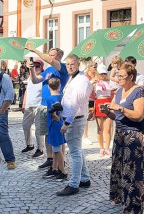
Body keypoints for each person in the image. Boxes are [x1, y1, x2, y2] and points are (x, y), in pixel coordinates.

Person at [106, 63, 144, 214]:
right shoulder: (119, 91)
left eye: (122, 76)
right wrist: (109, 112)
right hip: (120, 134)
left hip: (134, 136)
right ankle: (120, 198)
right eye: (118, 75)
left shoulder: (139, 92)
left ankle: (134, 209)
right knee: (118, 168)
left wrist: (120, 108)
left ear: (131, 77)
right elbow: (117, 116)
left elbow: (138, 116)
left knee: (133, 172)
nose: (118, 79)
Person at [56, 55, 92, 196]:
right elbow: (70, 99)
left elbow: (76, 104)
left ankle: (73, 184)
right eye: (68, 64)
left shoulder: (82, 80)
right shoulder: (74, 78)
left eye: (72, 64)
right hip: (72, 118)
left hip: (75, 120)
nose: (70, 66)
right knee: (78, 149)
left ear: (78, 64)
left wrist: (67, 123)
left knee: (75, 153)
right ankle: (84, 178)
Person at [21, 59, 44, 157]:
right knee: (25, 125)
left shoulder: (43, 77)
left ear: (41, 67)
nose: (35, 68)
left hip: (39, 105)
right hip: (29, 106)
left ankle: (40, 148)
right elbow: (27, 91)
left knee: (39, 129)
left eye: (37, 66)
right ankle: (29, 144)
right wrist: (24, 103)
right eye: (34, 66)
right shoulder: (30, 78)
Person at [44, 78, 66, 181]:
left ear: (48, 87)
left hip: (54, 125)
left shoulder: (49, 99)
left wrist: (56, 119)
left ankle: (62, 171)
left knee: (57, 149)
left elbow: (53, 114)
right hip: (60, 123)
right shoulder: (62, 97)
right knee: (56, 149)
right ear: (59, 86)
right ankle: (54, 168)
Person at [93, 65, 115, 154]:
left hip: (108, 102)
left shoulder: (110, 82)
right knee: (100, 128)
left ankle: (107, 148)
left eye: (104, 73)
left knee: (108, 128)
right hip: (98, 102)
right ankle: (101, 147)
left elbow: (114, 91)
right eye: (101, 73)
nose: (103, 75)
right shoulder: (95, 82)